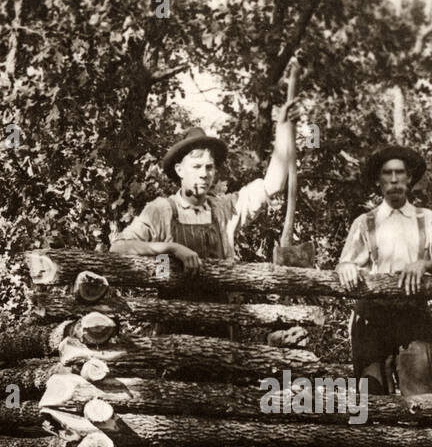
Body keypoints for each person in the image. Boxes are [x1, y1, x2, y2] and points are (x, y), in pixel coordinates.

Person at [111, 107, 296, 335]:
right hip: (172, 332)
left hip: (218, 329)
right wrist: (171, 248)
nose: (204, 174)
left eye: (209, 167)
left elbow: (273, 185)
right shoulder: (160, 210)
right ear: (180, 170)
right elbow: (118, 248)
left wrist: (283, 128)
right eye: (196, 167)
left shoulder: (225, 209)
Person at [335, 145, 432, 396]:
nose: (394, 180)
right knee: (371, 400)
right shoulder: (365, 223)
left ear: (409, 178)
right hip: (370, 320)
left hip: (412, 318)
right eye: (387, 173)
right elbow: (346, 264)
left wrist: (427, 264)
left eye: (400, 173)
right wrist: (345, 267)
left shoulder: (426, 219)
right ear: (379, 179)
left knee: (423, 401)